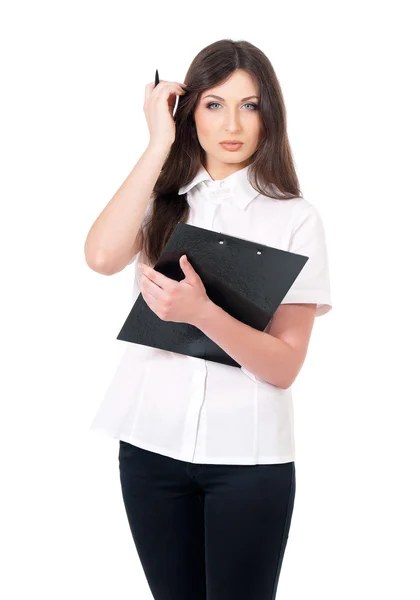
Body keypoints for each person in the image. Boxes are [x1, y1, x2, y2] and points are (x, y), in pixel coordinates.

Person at [85, 39, 332, 600]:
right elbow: (100, 258)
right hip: (150, 449)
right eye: (215, 104)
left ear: (270, 113)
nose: (233, 124)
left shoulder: (296, 219)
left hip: (249, 460)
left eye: (250, 105)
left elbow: (284, 366)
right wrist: (157, 146)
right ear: (189, 109)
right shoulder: (163, 200)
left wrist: (202, 313)